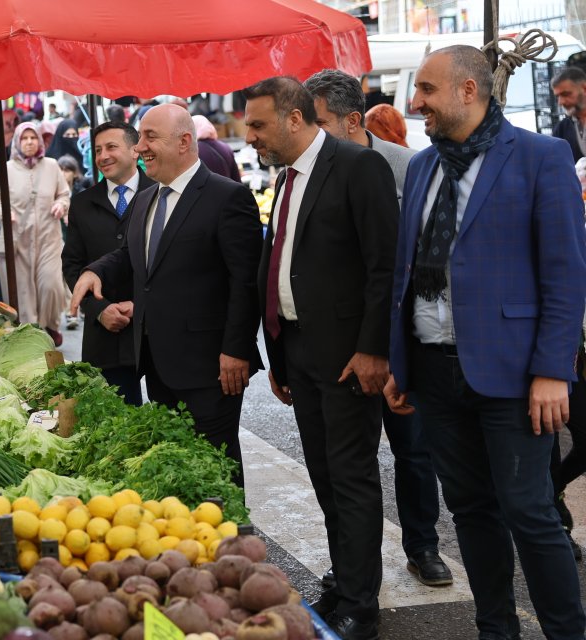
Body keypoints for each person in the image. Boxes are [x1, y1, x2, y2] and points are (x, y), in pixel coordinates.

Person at [384, 46, 586, 639]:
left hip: (515, 374)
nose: (414, 102)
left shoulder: (540, 157)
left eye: (425, 90)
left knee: (530, 511)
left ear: (468, 91)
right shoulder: (422, 166)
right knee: (469, 510)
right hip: (434, 369)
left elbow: (565, 272)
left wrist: (552, 370)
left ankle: (567, 632)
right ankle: (496, 629)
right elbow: (407, 272)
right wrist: (401, 361)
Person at [245, 76, 398, 639]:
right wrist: (280, 358)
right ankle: (346, 580)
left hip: (348, 355)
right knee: (325, 476)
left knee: (353, 476)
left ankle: (362, 603)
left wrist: (373, 349)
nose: (252, 137)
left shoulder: (358, 167)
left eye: (259, 125)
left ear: (293, 118)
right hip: (302, 351)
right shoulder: (286, 179)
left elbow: (385, 268)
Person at [303, 68, 452, 589]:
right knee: (347, 463)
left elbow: (425, 260)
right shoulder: (311, 171)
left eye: (318, 121)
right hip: (342, 345)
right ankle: (351, 563)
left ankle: (424, 547)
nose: (309, 132)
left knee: (412, 449)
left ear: (349, 120)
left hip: (401, 338)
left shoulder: (406, 167)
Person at [69, 105, 263, 485]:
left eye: (149, 137)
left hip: (210, 368)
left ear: (184, 142)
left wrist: (236, 350)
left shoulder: (228, 197)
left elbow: (246, 282)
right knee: (178, 470)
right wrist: (95, 270)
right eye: (140, 137)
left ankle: (232, 543)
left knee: (216, 470)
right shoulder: (147, 198)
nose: (140, 147)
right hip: (157, 364)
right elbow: (129, 255)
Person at [62, 122, 155, 406]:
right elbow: (73, 265)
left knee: (172, 422)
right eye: (98, 150)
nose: (103, 156)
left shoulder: (159, 193)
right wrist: (99, 310)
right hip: (105, 335)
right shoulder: (82, 203)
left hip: (155, 330)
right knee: (119, 422)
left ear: (134, 149)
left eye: (111, 147)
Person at [0, 122, 71, 344]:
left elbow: (64, 194)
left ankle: (50, 324)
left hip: (49, 238)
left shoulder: (52, 166)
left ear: (40, 141)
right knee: (23, 292)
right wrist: (6, 215)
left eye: (33, 138)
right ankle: (31, 333)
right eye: (24, 138)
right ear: (16, 142)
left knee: (51, 285)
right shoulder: (6, 169)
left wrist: (61, 205)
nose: (29, 142)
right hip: (18, 241)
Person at [552, 66, 586, 162]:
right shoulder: (562, 129)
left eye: (566, 94)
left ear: (584, 88)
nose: (561, 102)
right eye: (557, 96)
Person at [192, 115, 241, 182]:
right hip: (228, 190)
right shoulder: (226, 147)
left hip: (207, 191)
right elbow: (236, 178)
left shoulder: (193, 151)